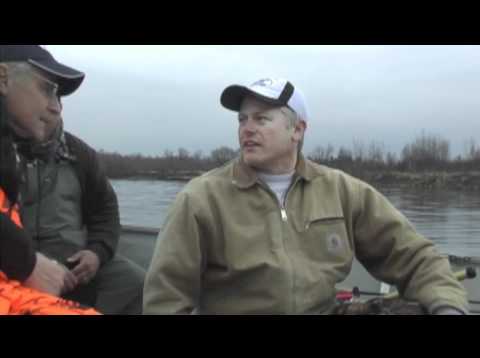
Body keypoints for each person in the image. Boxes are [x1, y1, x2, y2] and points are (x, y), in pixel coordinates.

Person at [143, 77, 468, 315]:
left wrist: (449, 308)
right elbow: (165, 300)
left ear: (297, 130)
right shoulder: (201, 199)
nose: (247, 128)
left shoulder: (340, 190)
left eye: (261, 118)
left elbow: (417, 257)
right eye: (243, 119)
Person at [0, 45, 145, 315]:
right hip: (15, 275)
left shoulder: (80, 155)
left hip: (73, 275)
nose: (56, 107)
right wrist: (27, 264)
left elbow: (105, 211)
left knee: (138, 283)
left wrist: (96, 253)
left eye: (59, 95)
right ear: (4, 78)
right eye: (47, 89)